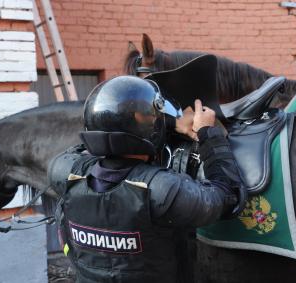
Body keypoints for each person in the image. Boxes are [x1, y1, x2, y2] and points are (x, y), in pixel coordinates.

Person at [48, 75, 246, 283]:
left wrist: (164, 123)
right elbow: (228, 195)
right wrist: (208, 132)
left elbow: (84, 148)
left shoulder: (65, 172)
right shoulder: (159, 189)